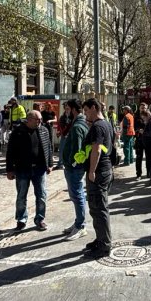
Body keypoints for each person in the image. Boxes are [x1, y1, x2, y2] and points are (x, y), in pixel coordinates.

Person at [76, 99, 114, 258]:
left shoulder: (98, 126)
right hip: (105, 170)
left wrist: (91, 171)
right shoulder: (104, 124)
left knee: (98, 209)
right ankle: (101, 240)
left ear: (93, 108)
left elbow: (96, 150)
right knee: (98, 208)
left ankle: (104, 246)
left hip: (98, 173)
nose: (85, 114)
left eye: (86, 110)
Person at [6, 109, 53, 231]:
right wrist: (10, 169)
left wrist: (50, 164)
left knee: (41, 195)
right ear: (29, 119)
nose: (40, 122)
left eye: (41, 120)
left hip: (39, 169)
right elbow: (10, 151)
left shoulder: (43, 130)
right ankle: (21, 219)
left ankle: (40, 219)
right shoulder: (18, 132)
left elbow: (49, 147)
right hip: (22, 169)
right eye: (38, 120)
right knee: (21, 196)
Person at [60, 99, 89, 240]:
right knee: (77, 196)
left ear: (73, 110)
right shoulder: (80, 122)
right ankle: (78, 222)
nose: (66, 112)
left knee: (77, 196)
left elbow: (76, 149)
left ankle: (81, 226)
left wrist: (71, 163)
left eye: (67, 109)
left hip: (75, 168)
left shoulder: (78, 126)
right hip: (75, 167)